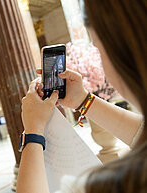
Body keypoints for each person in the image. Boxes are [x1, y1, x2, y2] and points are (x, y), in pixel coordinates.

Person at [17, 0, 146, 193]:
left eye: (98, 49)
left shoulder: (109, 185)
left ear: (121, 54)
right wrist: (83, 100)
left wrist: (33, 132)